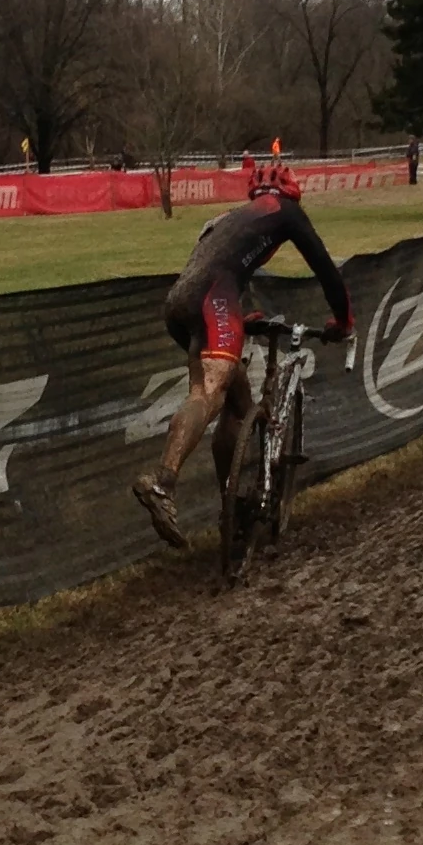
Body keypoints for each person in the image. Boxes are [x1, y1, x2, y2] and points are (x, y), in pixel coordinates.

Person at [132, 154, 357, 550]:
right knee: (208, 394)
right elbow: (325, 269)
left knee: (237, 404)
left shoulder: (226, 218)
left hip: (181, 303)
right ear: (291, 192)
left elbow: (217, 265)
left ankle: (231, 508)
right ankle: (162, 481)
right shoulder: (286, 212)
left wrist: (238, 315)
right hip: (213, 300)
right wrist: (343, 320)